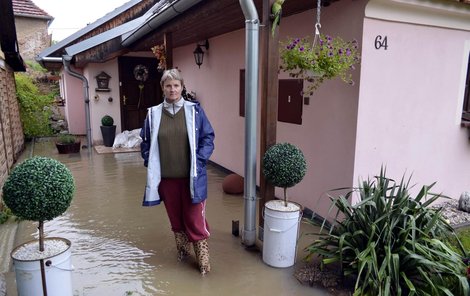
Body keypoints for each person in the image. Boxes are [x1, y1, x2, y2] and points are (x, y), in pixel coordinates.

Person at [140, 69, 215, 275]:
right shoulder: (153, 114)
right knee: (176, 220)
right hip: (167, 180)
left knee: (194, 219)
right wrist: (149, 160)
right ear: (162, 88)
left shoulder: (195, 111)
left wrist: (199, 161)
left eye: (176, 85)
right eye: (168, 85)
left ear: (182, 87)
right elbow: (145, 141)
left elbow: (208, 138)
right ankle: (182, 254)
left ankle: (204, 264)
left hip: (192, 178)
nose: (172, 89)